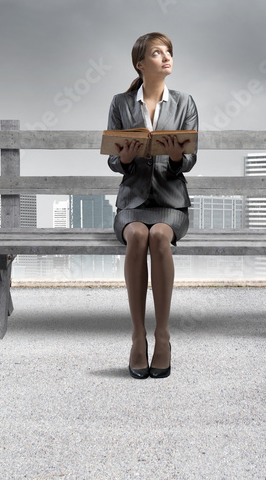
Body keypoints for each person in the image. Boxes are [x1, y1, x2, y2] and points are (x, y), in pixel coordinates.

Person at [107, 32, 197, 379]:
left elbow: (189, 159)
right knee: (137, 236)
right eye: (157, 53)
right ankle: (136, 338)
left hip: (171, 204)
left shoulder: (185, 102)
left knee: (159, 235)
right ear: (141, 64)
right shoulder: (120, 103)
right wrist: (126, 160)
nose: (166, 57)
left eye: (169, 52)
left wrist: (176, 157)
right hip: (132, 203)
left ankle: (162, 337)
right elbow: (113, 160)